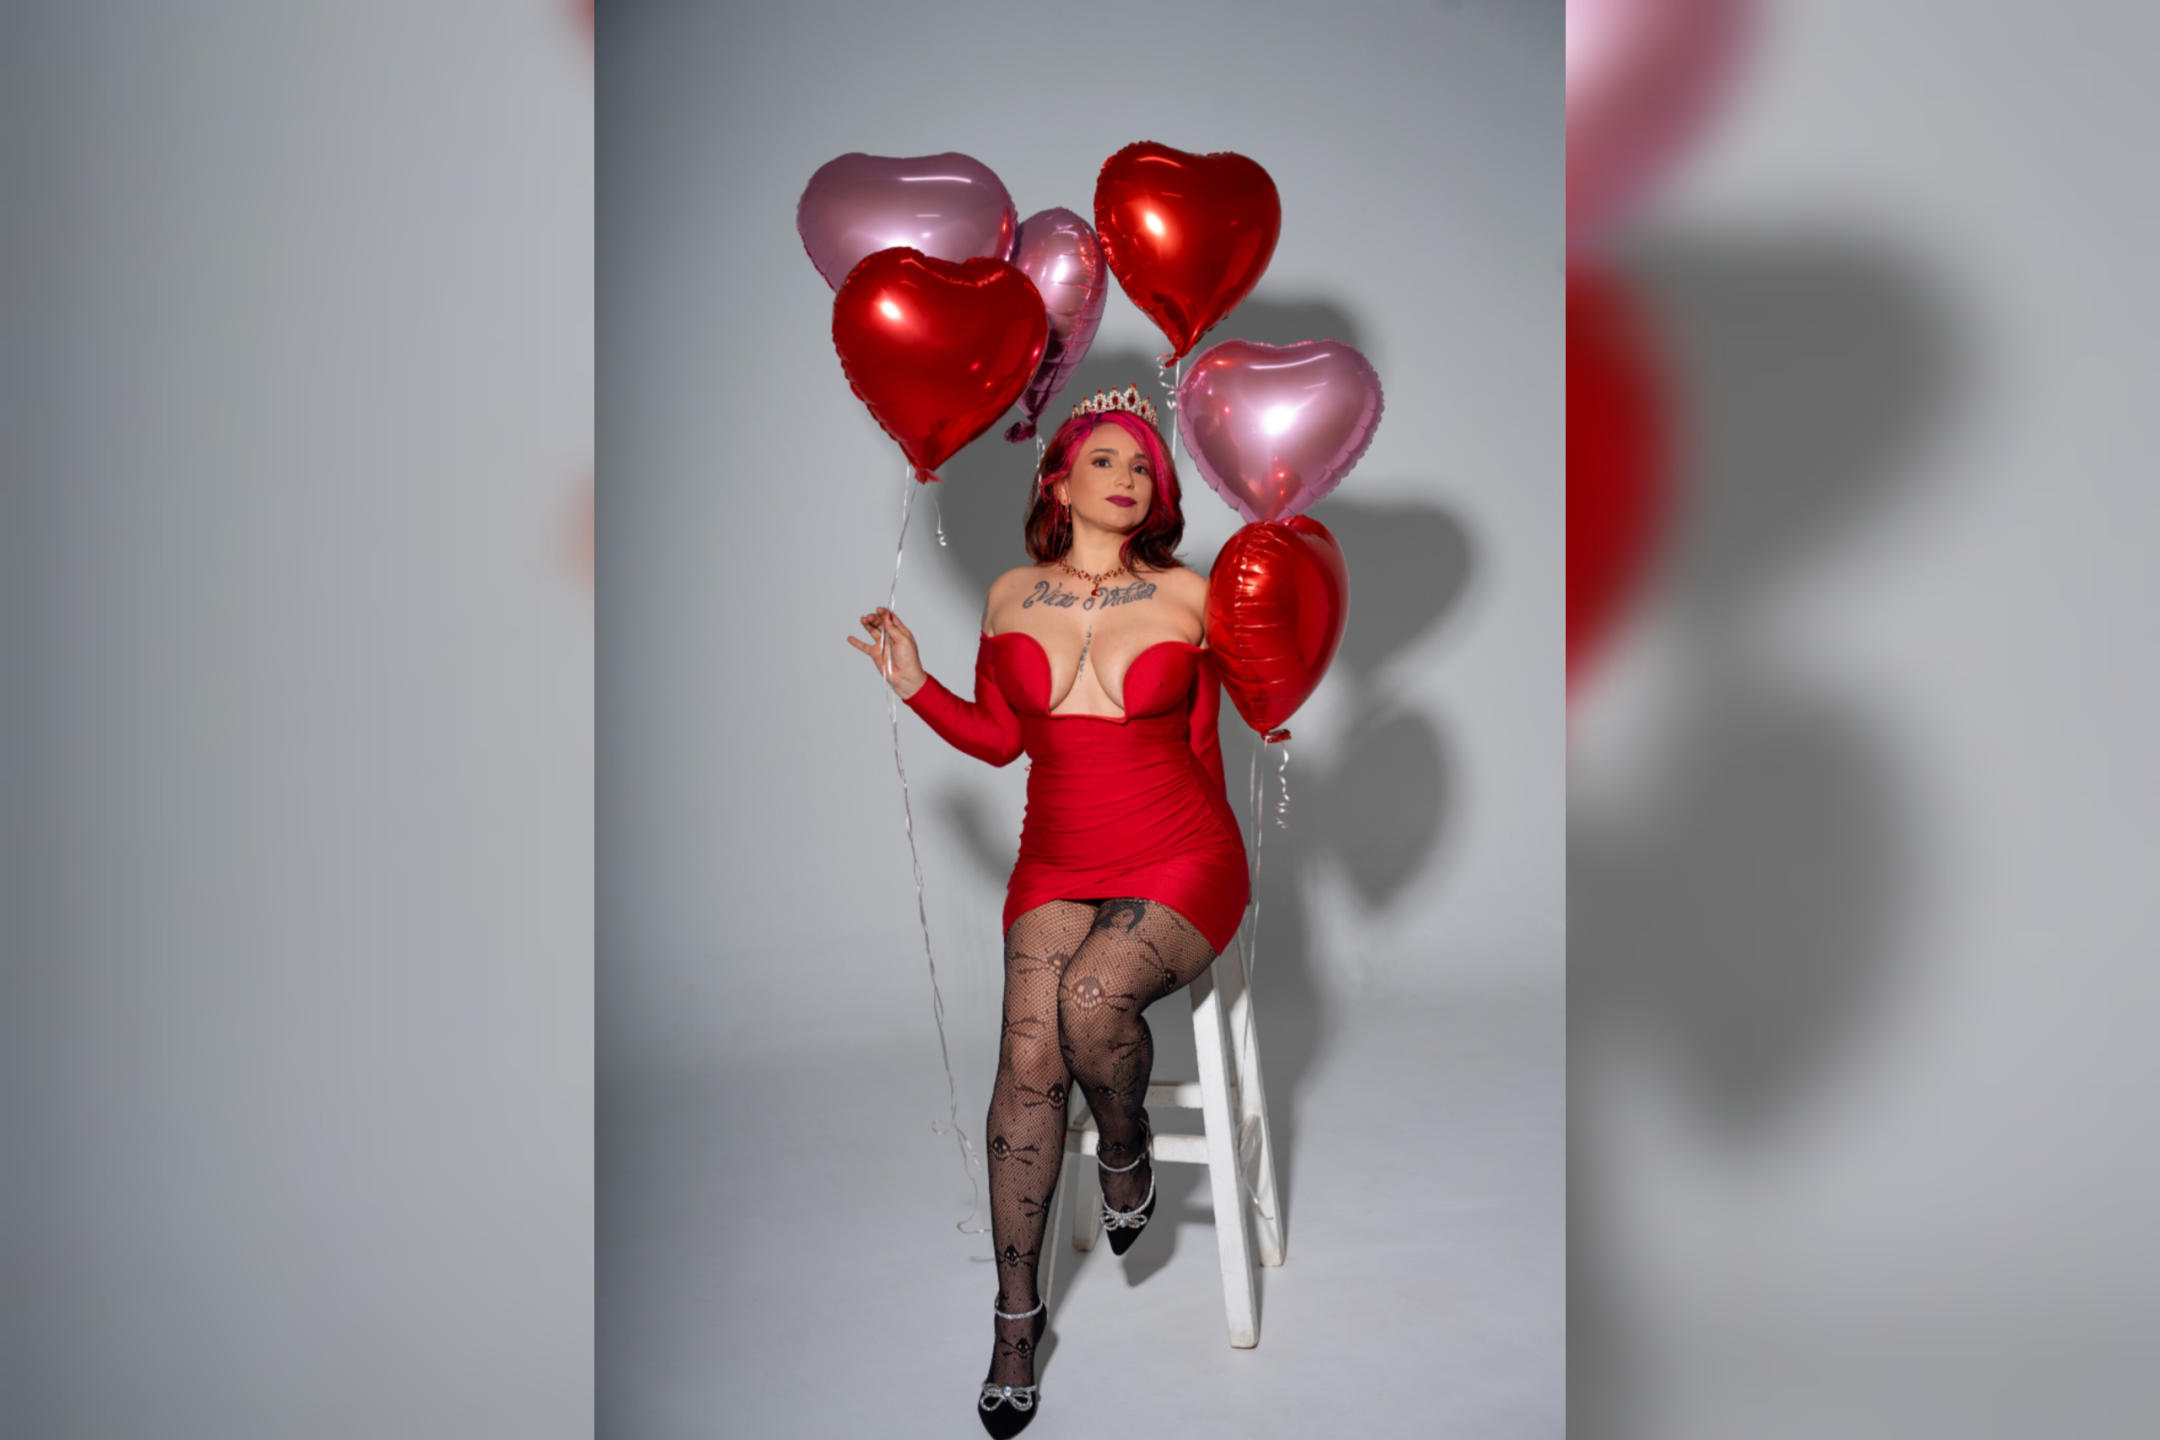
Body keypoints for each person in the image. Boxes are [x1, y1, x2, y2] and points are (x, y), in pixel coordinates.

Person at [847, 385, 1250, 1436]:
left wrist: (1229, 872)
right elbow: (999, 741)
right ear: (1058, 481)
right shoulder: (1009, 594)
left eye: (1144, 465)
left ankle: (1123, 1149)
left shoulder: (1192, 595)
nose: (1130, 476)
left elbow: (1214, 737)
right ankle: (1016, 1323)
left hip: (1181, 850)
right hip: (1057, 859)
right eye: (1106, 459)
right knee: (1028, 1059)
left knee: (1090, 1001)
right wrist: (916, 683)